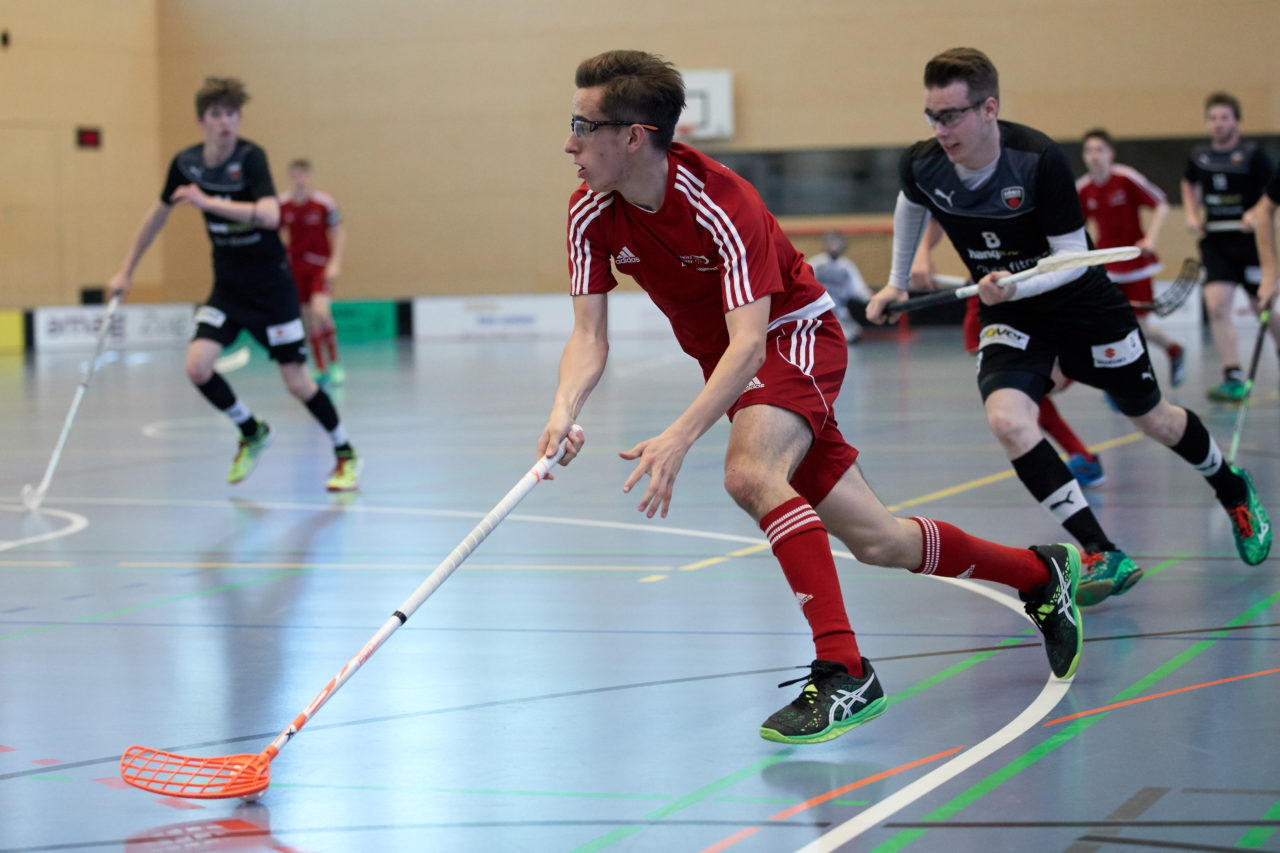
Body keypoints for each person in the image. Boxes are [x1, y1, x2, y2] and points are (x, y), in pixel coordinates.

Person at [541, 49, 1084, 746]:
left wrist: (680, 435)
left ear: (633, 136)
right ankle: (1042, 573)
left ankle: (844, 669)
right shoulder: (589, 209)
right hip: (740, 365)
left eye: (582, 125)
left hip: (792, 338)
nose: (569, 143)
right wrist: (563, 409)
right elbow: (589, 336)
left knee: (749, 472)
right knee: (879, 539)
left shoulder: (720, 201)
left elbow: (748, 345)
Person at [866, 48, 1271, 606]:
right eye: (932, 116)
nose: (940, 130)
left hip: (1080, 303)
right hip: (1008, 313)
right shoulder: (923, 162)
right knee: (1008, 420)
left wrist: (1012, 282)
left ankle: (1233, 488)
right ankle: (1102, 548)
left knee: (1153, 419)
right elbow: (911, 203)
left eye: (952, 115)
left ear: (989, 109)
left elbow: (1070, 258)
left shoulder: (1039, 160)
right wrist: (895, 282)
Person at [107, 77, 361, 492]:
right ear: (201, 121)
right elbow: (158, 215)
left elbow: (269, 214)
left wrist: (211, 204)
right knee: (197, 366)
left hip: (271, 290)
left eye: (232, 114)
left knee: (296, 381)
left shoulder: (250, 157)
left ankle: (345, 452)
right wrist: (127, 269)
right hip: (227, 288)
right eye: (216, 114)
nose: (225, 122)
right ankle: (250, 429)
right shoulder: (186, 164)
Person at [911, 219, 1107, 488]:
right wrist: (921, 257)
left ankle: (1082, 449)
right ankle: (1079, 456)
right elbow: (934, 216)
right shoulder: (952, 187)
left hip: (1036, 290)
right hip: (985, 295)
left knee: (1043, 383)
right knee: (1016, 385)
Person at [1180, 92, 1280, 401]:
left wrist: (1253, 213)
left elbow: (1271, 196)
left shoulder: (1253, 155)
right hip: (1217, 243)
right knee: (1216, 305)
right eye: (1213, 118)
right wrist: (1192, 213)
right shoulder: (1199, 157)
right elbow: (1188, 182)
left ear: (1236, 120)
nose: (1218, 124)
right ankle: (1233, 375)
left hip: (1251, 242)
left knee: (1260, 306)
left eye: (1225, 117)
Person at [1077, 128, 1185, 387]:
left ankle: (1174, 350)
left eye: (1099, 150)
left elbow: (1161, 202)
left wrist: (1151, 240)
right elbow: (1074, 227)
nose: (1094, 156)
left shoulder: (1125, 178)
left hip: (1136, 266)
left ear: (1110, 153)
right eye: (1089, 151)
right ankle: (1118, 382)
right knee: (1106, 326)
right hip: (1106, 267)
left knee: (1140, 327)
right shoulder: (1082, 189)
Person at [279, 159, 347, 385]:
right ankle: (320, 367)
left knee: (321, 312)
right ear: (290, 176)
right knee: (309, 321)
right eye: (296, 174)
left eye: (304, 175)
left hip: (320, 266)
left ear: (309, 177)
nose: (300, 179)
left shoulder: (323, 202)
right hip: (296, 269)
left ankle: (335, 363)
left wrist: (335, 262)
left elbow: (338, 231)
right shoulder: (283, 204)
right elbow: (275, 234)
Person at [807, 231, 872, 343]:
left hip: (840, 312)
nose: (834, 246)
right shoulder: (816, 264)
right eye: (831, 242)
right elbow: (804, 284)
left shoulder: (847, 266)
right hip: (817, 312)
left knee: (853, 334)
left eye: (837, 242)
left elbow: (859, 289)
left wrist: (871, 298)